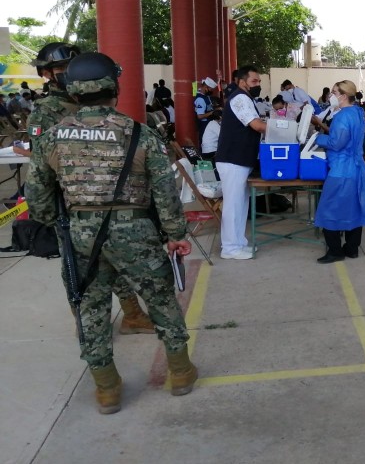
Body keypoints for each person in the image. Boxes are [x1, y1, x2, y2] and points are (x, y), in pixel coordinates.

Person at [26, 52, 198, 414]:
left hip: (79, 235)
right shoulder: (140, 133)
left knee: (90, 309)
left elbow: (38, 199)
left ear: (73, 90)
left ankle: (107, 389)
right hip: (136, 231)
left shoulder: (52, 138)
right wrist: (175, 233)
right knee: (161, 300)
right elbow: (165, 191)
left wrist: (62, 223)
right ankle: (180, 373)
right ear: (114, 87)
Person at [25, 43, 155, 334]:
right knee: (78, 269)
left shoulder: (90, 99)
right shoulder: (45, 112)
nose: (67, 75)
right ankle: (85, 323)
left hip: (108, 194)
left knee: (113, 259)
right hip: (72, 202)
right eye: (61, 70)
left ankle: (132, 314)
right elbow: (42, 166)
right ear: (46, 74)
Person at [310, 80, 365, 263]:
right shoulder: (358, 112)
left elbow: (336, 143)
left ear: (344, 96)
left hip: (341, 170)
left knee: (329, 209)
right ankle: (352, 248)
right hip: (356, 167)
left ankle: (335, 251)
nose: (331, 96)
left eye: (334, 92)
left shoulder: (343, 116)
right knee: (353, 207)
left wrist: (319, 138)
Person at [215, 67, 267, 259]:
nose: (258, 85)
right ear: (242, 82)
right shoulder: (240, 99)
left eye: (259, 82)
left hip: (240, 158)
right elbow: (257, 125)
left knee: (241, 203)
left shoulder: (246, 99)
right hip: (232, 159)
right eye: (254, 81)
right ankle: (229, 248)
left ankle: (239, 242)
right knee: (233, 204)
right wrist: (283, 128)